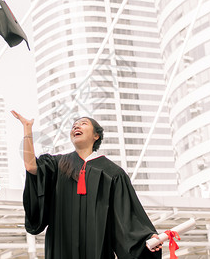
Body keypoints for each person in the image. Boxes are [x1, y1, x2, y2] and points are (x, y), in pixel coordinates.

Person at [12, 110, 163, 259]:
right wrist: (27, 128)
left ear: (96, 136)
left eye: (83, 124)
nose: (76, 127)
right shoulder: (57, 165)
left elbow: (127, 215)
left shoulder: (112, 173)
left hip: (98, 250)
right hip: (61, 248)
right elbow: (31, 166)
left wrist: (147, 238)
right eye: (74, 126)